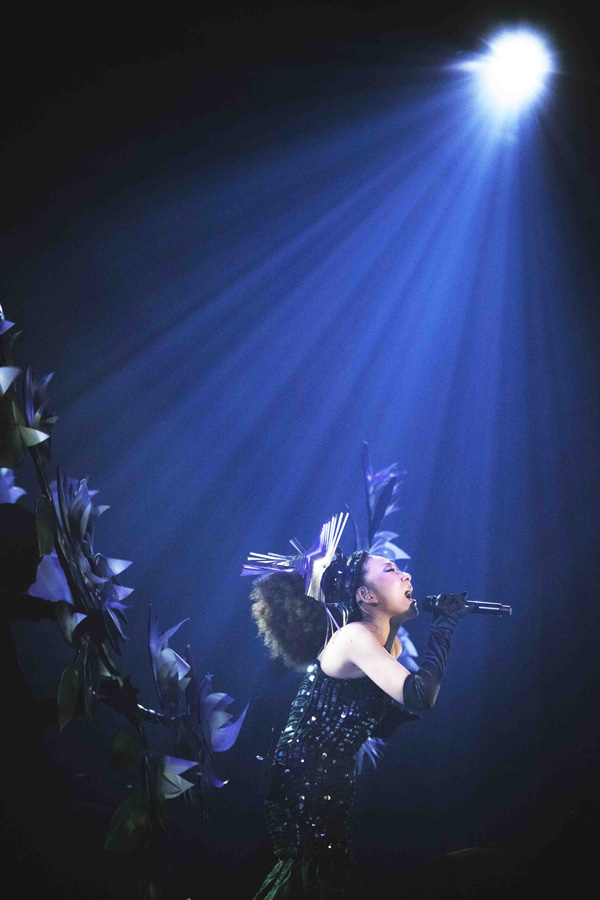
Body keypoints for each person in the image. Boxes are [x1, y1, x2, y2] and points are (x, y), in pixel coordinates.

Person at [248, 545, 470, 899]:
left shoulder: (387, 647)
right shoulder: (355, 636)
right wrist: (444, 625)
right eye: (390, 570)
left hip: (331, 774)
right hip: (306, 775)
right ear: (366, 596)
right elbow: (420, 695)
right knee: (317, 869)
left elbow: (373, 713)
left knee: (325, 865)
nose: (406, 575)